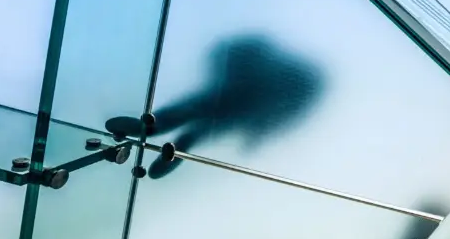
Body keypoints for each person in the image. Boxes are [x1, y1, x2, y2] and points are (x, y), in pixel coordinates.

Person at [105, 36, 323, 178]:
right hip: (237, 104)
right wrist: (259, 133)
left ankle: (160, 134)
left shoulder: (274, 62)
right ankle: (169, 141)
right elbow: (283, 118)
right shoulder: (285, 76)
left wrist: (259, 132)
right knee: (194, 126)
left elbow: (227, 51)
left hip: (232, 99)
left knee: (189, 115)